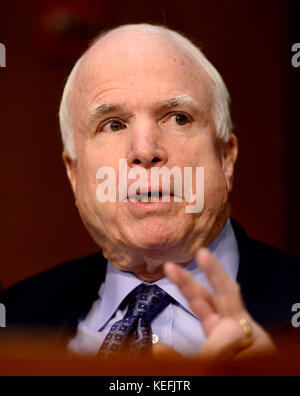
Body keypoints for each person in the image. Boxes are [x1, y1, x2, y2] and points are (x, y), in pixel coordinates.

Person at [1, 24, 300, 361]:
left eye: (178, 119)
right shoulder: (12, 321)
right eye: (113, 124)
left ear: (226, 158)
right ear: (74, 173)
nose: (145, 150)